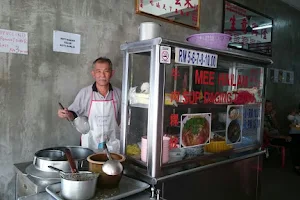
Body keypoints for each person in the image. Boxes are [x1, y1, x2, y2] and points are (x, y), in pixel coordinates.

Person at [58, 57, 121, 153]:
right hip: (90, 143)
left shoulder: (119, 93)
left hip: (113, 143)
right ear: (93, 74)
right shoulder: (85, 93)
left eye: (106, 71)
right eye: (98, 71)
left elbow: (125, 119)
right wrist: (65, 114)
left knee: (112, 167)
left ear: (112, 73)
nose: (102, 75)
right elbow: (73, 115)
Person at [264, 100, 300, 174]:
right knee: (294, 143)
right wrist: (284, 137)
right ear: (263, 107)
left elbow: (278, 127)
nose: (271, 108)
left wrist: (273, 117)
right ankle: (296, 166)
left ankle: (297, 163)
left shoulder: (269, 116)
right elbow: (269, 135)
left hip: (278, 135)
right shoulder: (262, 118)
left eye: (271, 106)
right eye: (268, 106)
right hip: (273, 138)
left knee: (297, 139)